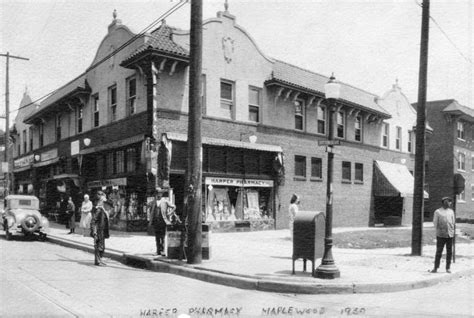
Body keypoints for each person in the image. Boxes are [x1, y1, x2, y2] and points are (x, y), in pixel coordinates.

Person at [430, 196, 455, 273]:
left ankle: (448, 268)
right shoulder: (438, 211)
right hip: (441, 235)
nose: (450, 203)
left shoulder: (451, 212)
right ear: (444, 202)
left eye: (450, 201)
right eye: (448, 201)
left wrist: (452, 231)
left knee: (449, 252)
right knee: (439, 251)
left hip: (450, 235)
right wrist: (439, 231)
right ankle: (435, 267)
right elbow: (435, 223)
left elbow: (453, 222)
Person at [149, 189, 176, 256]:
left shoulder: (165, 201)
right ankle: (158, 251)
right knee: (157, 237)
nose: (159, 194)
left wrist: (169, 213)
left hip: (163, 221)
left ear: (162, 194)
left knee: (162, 236)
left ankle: (163, 251)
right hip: (156, 221)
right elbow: (151, 210)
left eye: (160, 193)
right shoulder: (153, 202)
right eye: (157, 193)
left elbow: (174, 207)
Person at [90, 191, 110, 266]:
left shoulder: (104, 211)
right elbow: (93, 221)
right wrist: (94, 231)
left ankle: (99, 260)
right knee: (99, 246)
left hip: (102, 231)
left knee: (102, 247)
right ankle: (97, 261)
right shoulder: (99, 210)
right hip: (98, 231)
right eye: (104, 201)